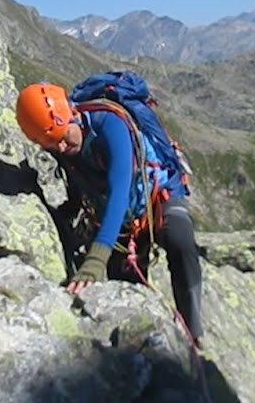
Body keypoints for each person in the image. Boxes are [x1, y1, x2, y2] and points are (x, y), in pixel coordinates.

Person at [15, 80, 205, 348]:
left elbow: (120, 191)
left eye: (62, 138)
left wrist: (95, 260)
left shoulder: (111, 125)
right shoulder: (60, 137)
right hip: (117, 217)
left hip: (156, 195)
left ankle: (192, 333)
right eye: (51, 144)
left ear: (72, 114)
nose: (60, 149)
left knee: (181, 241)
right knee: (124, 290)